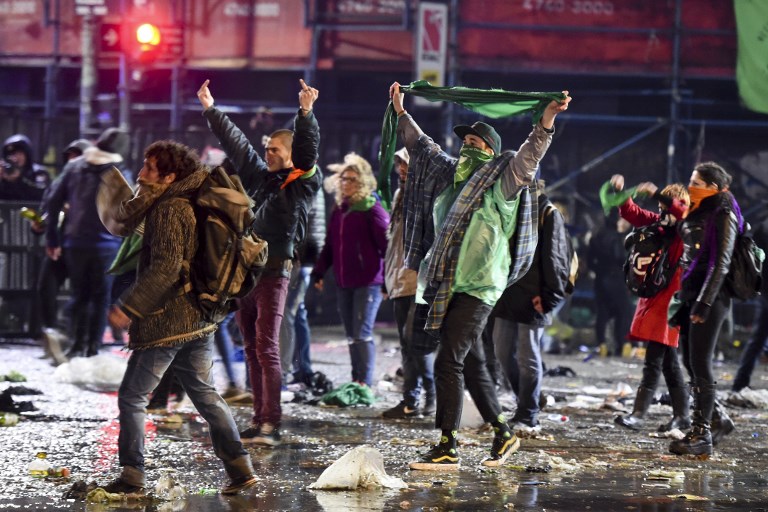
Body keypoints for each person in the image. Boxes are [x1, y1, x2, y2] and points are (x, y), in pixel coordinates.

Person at [389, 81, 570, 470]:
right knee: (470, 363)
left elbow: (529, 156)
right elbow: (422, 147)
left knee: (447, 361)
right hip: (448, 283)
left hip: (481, 286)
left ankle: (447, 445)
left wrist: (548, 119)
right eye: (465, 139)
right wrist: (402, 112)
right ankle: (504, 434)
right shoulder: (448, 178)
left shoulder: (501, 182)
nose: (468, 143)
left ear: (490, 150)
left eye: (477, 140)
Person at [103, 140, 257, 495]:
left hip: (169, 321)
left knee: (132, 397)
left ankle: (131, 475)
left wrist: (128, 307)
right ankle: (240, 469)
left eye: (149, 168)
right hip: (198, 319)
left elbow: (167, 269)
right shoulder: (183, 200)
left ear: (169, 176)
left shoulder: (171, 208)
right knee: (205, 394)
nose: (140, 174)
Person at [197, 78, 321, 446]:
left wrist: (305, 114)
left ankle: (272, 423)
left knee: (266, 346)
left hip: (274, 271)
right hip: (245, 274)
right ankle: (258, 419)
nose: (268, 152)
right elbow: (236, 144)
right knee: (250, 346)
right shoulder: (259, 177)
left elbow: (307, 149)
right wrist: (210, 109)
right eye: (267, 147)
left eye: (275, 149)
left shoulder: (300, 182)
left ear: (291, 153)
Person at [662, 162, 739, 456]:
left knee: (700, 362)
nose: (690, 185)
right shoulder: (699, 209)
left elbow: (722, 262)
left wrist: (705, 303)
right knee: (688, 359)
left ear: (713, 188)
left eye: (696, 182)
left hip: (712, 297)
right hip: (692, 293)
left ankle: (701, 433)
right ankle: (716, 418)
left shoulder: (723, 213)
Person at [609, 174, 692, 433]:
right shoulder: (658, 223)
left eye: (666, 206)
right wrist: (622, 192)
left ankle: (638, 414)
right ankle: (682, 417)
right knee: (669, 362)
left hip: (670, 301)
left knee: (654, 360)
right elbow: (632, 213)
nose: (663, 211)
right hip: (655, 298)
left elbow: (682, 211)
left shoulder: (683, 229)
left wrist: (658, 194)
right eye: (662, 208)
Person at [490, 179, 572, 434]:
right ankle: (526, 401)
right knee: (502, 353)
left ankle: (529, 413)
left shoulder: (547, 213)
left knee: (528, 357)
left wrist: (549, 296)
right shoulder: (509, 207)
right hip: (508, 294)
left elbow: (556, 258)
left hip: (534, 297)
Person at [45, 128, 128, 359]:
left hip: (75, 243)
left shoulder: (74, 167)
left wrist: (53, 237)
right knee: (101, 298)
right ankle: (92, 349)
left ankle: (75, 345)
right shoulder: (119, 172)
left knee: (79, 294)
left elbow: (53, 201)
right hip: (107, 246)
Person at [311, 153, 390, 387]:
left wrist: (388, 280)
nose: (346, 183)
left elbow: (387, 248)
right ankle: (356, 379)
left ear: (363, 181)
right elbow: (330, 245)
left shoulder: (372, 209)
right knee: (351, 336)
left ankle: (364, 383)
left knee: (362, 333)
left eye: (352, 179)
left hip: (369, 282)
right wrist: (319, 271)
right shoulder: (340, 208)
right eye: (344, 178)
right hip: (345, 282)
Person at [381, 147, 436, 418]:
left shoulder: (425, 197)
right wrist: (387, 278)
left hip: (418, 281)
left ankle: (430, 395)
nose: (401, 169)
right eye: (399, 165)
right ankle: (410, 400)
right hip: (399, 280)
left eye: (406, 164)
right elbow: (394, 243)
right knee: (406, 344)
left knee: (417, 342)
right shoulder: (399, 196)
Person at [35, 138, 94, 364]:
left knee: (83, 296)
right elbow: (47, 211)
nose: (72, 161)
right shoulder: (59, 182)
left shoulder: (94, 184)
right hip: (58, 247)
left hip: (81, 247)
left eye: (77, 156)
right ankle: (53, 338)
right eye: (69, 156)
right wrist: (39, 226)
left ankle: (80, 341)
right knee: (45, 289)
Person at [280, 187, 325, 387]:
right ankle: (302, 368)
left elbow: (314, 224)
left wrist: (311, 262)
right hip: (298, 259)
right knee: (297, 314)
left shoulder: (308, 182)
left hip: (301, 261)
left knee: (288, 314)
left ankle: (283, 372)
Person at [587, 210, 634, 356]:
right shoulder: (614, 236)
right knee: (624, 311)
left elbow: (589, 262)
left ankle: (602, 345)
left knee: (603, 312)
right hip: (616, 278)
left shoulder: (595, 236)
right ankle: (623, 344)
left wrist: (598, 270)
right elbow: (620, 257)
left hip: (600, 279)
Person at [731, 215, 768, 393]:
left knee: (758, 340)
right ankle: (740, 382)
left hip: (765, 292)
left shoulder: (762, 227)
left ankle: (740, 382)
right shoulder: (763, 229)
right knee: (758, 340)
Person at [1, 134, 51, 201]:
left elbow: (41, 193)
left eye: (19, 153)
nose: (15, 158)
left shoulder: (38, 172)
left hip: (32, 210)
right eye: (11, 155)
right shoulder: (5, 173)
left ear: (27, 154)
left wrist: (19, 179)